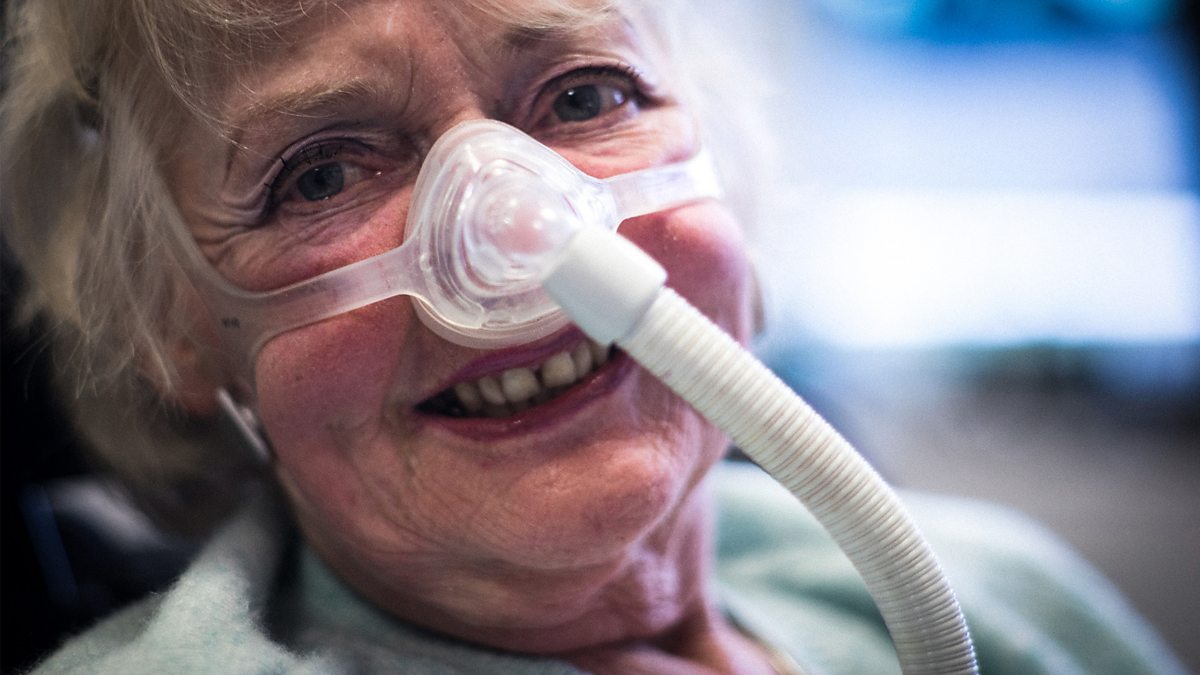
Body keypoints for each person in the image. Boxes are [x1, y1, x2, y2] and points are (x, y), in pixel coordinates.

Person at [0, 0, 1187, 673]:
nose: (520, 238)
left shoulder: (997, 595)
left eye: (586, 97)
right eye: (321, 175)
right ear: (176, 322)